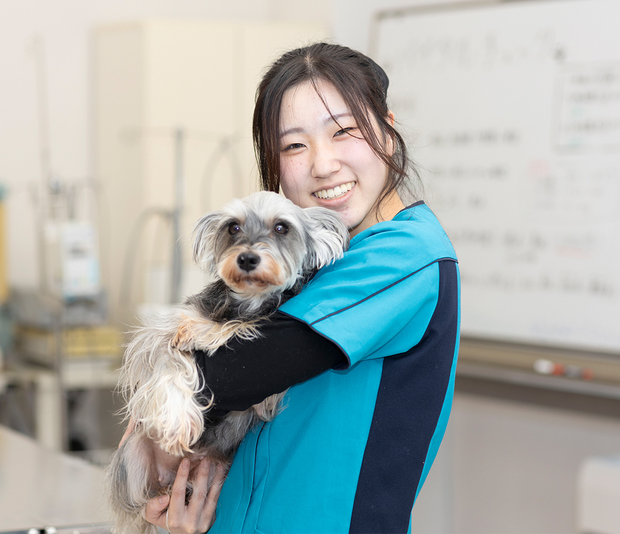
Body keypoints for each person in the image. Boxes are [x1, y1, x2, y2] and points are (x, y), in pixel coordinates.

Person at [132, 42, 460, 534]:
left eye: (344, 131)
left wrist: (156, 408)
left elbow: (230, 374)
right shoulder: (315, 262)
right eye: (293, 145)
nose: (322, 164)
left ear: (388, 131)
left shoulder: (405, 255)